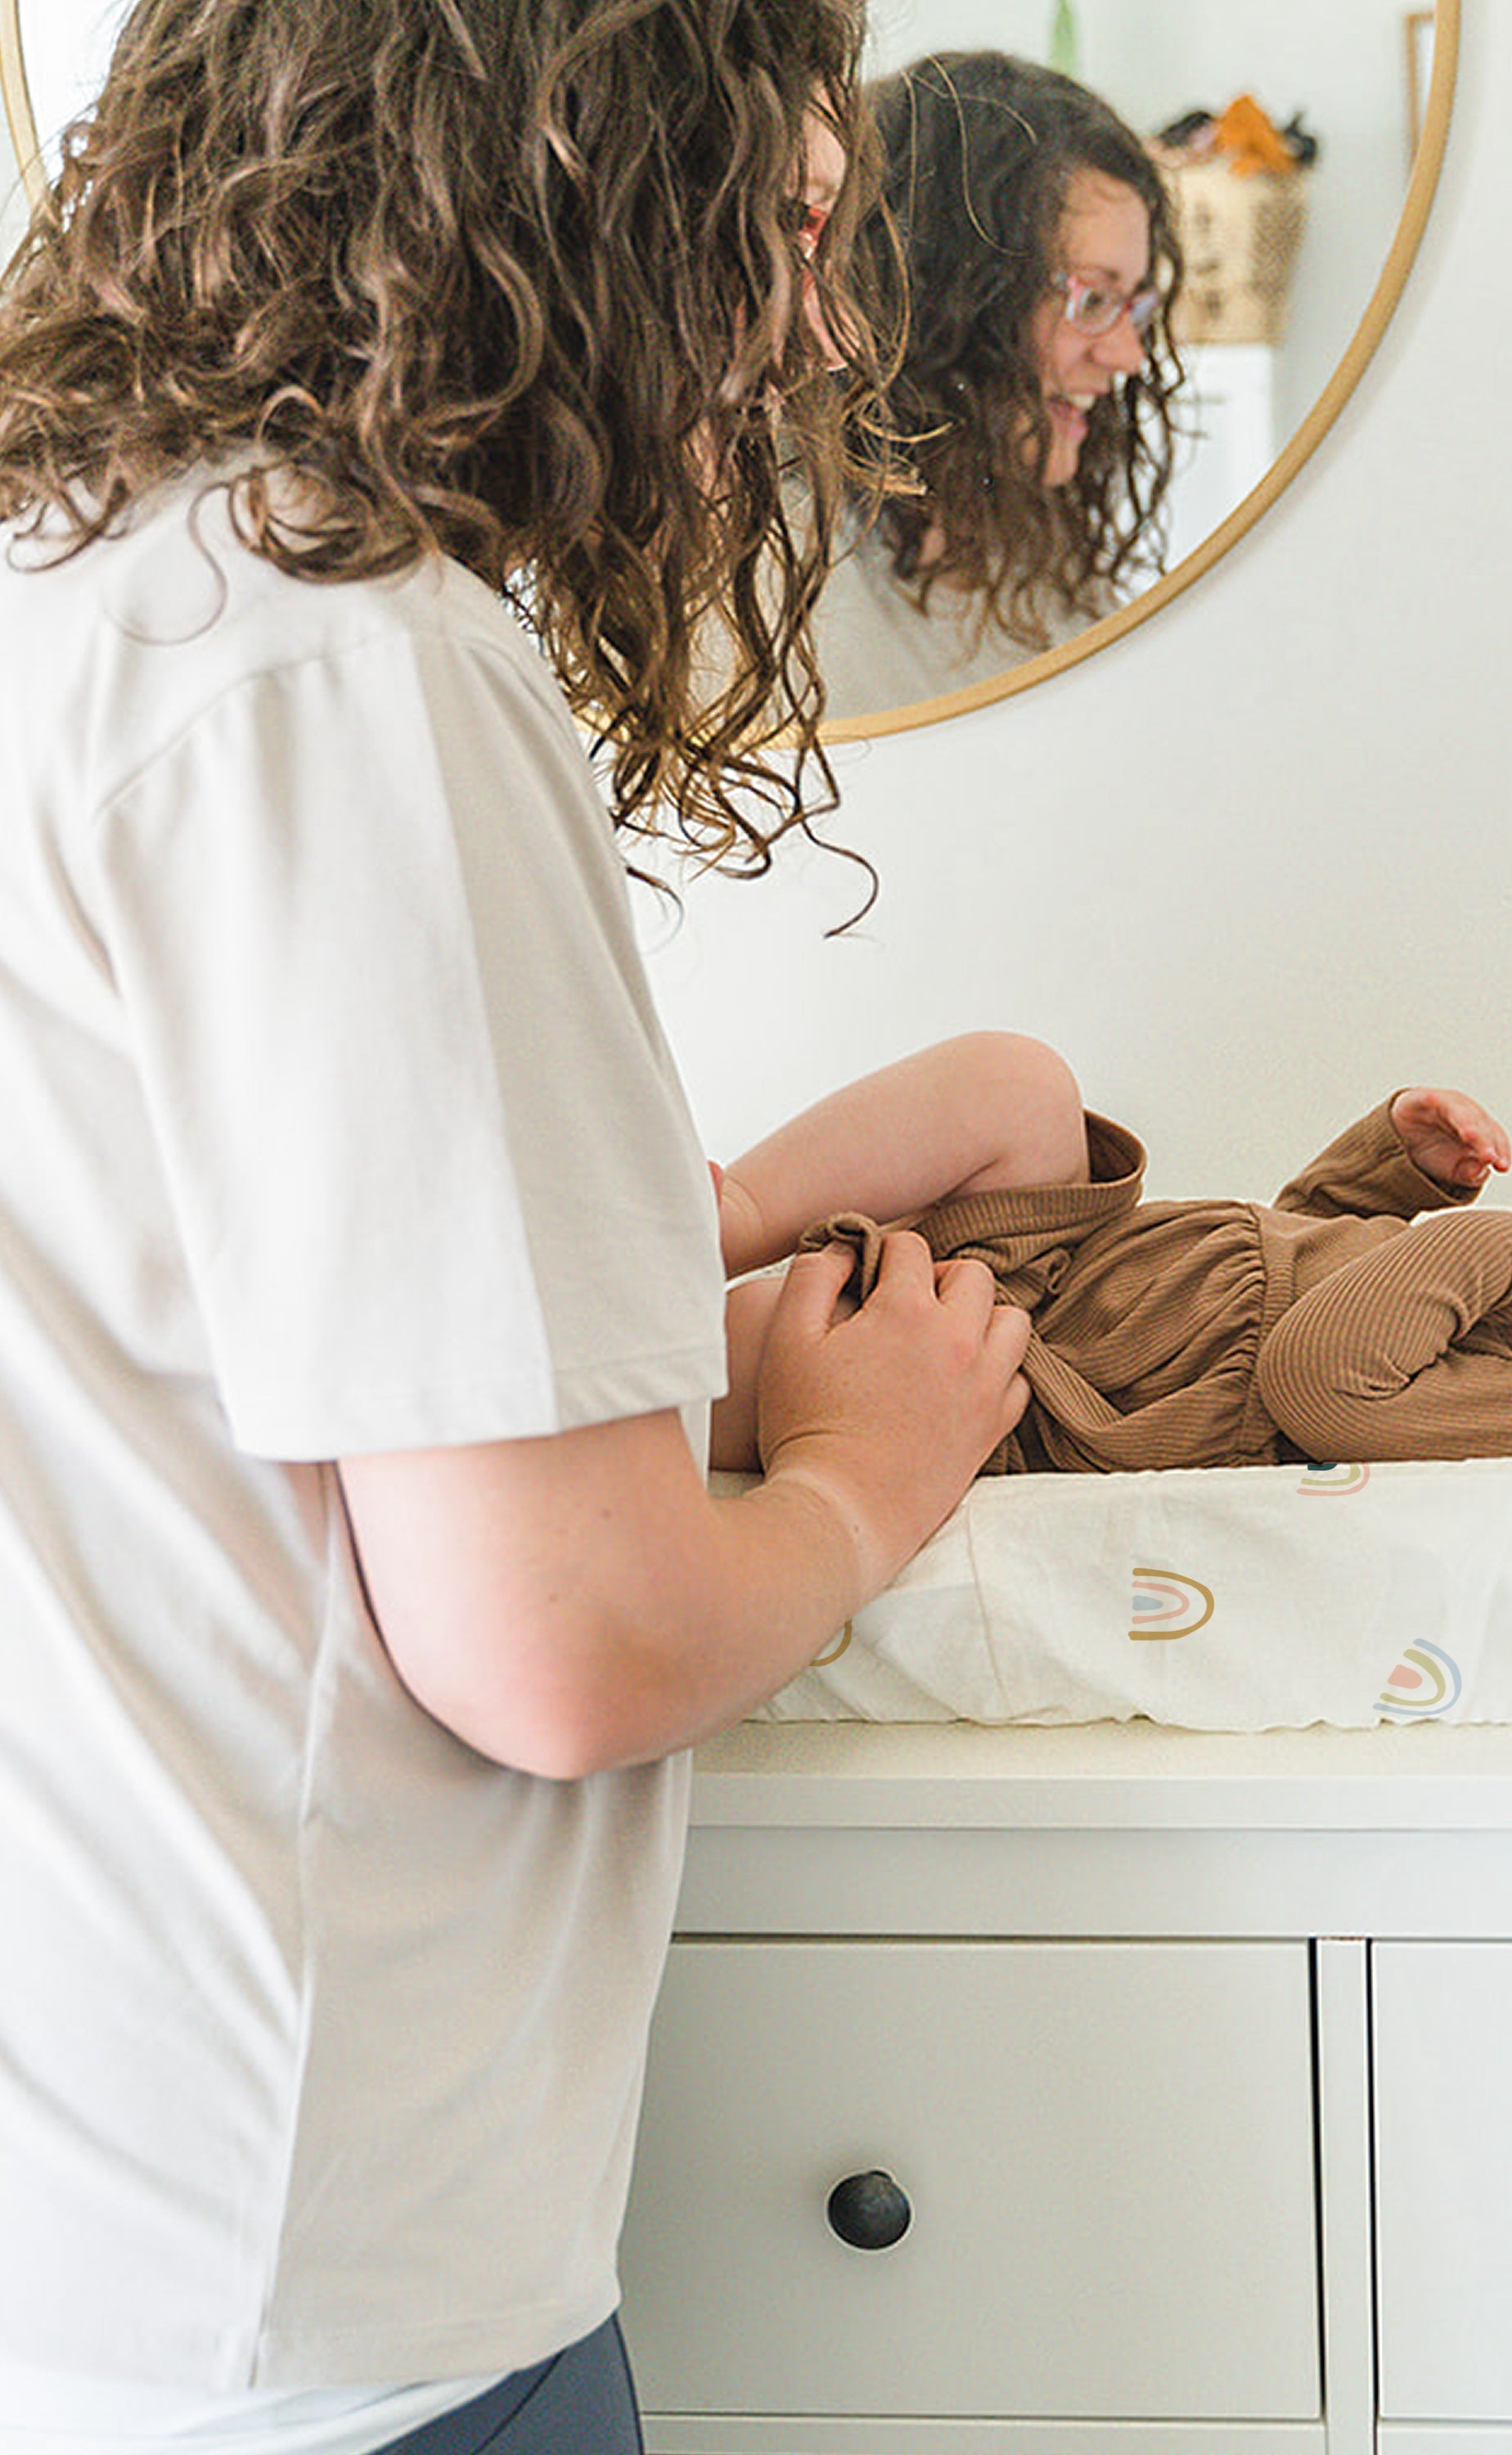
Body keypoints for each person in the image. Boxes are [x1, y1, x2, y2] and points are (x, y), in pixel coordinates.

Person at [0, 4, 1029, 2449]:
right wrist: (864, 1479)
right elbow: (561, 1641)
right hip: (318, 2270)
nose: (824, 329)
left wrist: (680, 1264)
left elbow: (206, 1292)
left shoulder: (74, 572)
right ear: (571, 170)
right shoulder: (343, 663)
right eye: (782, 233)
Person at [713, 1035, 1512, 1478]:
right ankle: (724, 1208)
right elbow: (1294, 1248)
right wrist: (1391, 1177)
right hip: (1093, 1272)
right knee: (1018, 1079)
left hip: (1029, 1378)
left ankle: (611, 1362)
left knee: (771, 1342)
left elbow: (1308, 1375)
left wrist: (1490, 1248)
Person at [812, 49, 1186, 715]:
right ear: (950, 295)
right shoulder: (794, 573)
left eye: (1134, 307)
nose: (1129, 355)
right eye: (1094, 299)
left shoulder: (1046, 569)